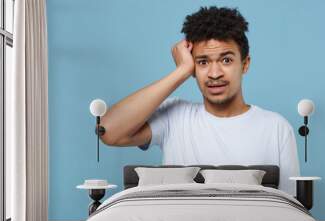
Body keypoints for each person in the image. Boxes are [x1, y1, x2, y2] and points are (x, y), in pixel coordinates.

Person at [100, 6, 300, 195]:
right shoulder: (174, 116)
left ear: (245, 64)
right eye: (203, 62)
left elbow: (291, 206)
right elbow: (108, 131)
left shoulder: (276, 127)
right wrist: (181, 72)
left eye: (226, 60)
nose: (214, 73)